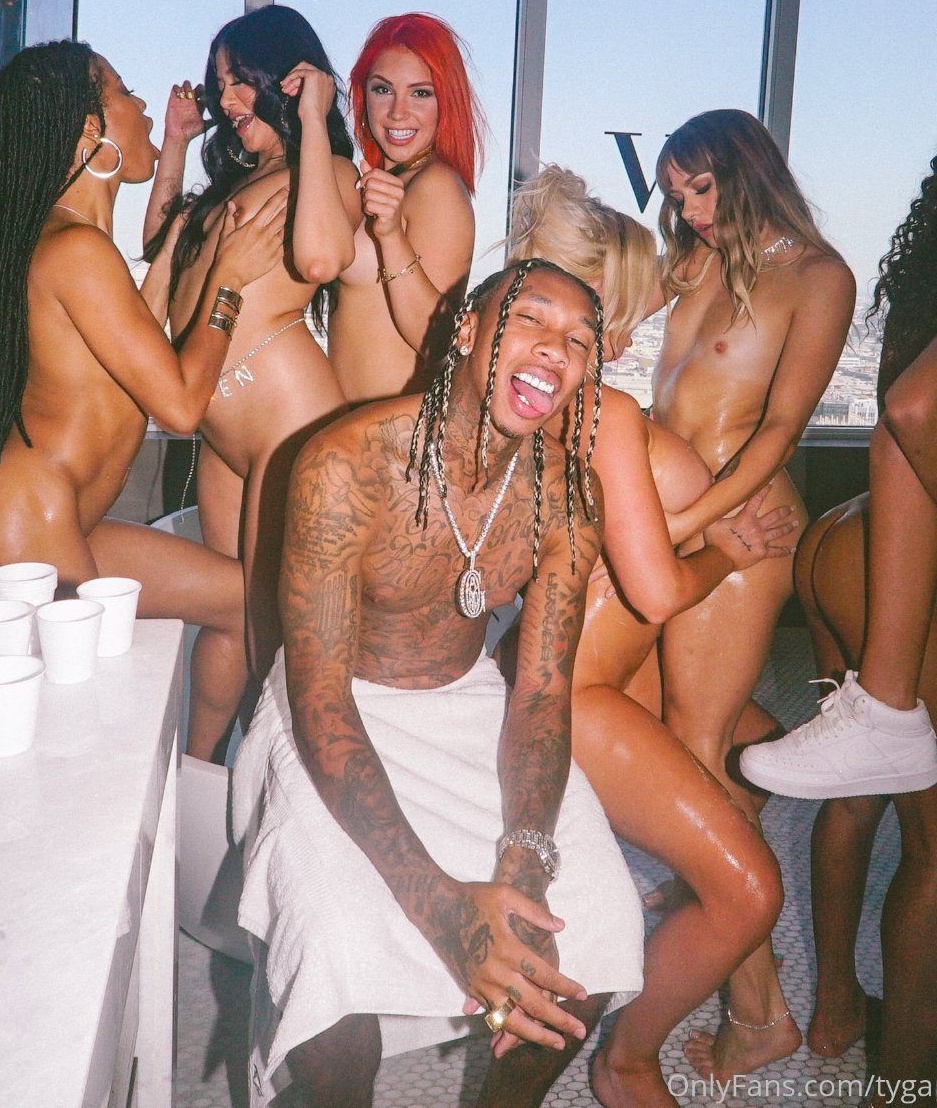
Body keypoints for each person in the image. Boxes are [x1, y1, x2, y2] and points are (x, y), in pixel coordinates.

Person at [231, 260, 645, 1108]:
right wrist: (443, 907)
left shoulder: (568, 496)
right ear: (466, 329)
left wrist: (525, 863)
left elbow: (540, 694)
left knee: (600, 922)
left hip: (467, 702)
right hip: (330, 706)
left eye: (578, 341)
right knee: (334, 956)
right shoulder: (346, 464)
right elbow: (319, 701)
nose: (554, 350)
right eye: (530, 319)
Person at [509, 166, 792, 1103]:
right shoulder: (609, 413)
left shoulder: (540, 404)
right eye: (629, 316)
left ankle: (742, 996)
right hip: (580, 700)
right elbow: (659, 591)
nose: (635, 336)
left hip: (565, 673)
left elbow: (602, 542)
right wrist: (728, 549)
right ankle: (627, 1060)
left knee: (754, 744)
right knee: (750, 890)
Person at [0, 40, 282, 758]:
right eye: (124, 90)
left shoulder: (71, 242)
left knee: (245, 600)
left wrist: (179, 208)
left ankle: (198, 774)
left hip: (58, 515)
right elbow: (179, 406)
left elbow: (136, 354)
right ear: (93, 130)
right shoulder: (75, 250)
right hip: (24, 524)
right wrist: (229, 282)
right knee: (68, 747)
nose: (144, 103)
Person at [648, 109, 855, 1081]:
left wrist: (690, 524)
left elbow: (778, 430)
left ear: (749, 170)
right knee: (691, 720)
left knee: (687, 740)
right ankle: (754, 780)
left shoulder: (818, 277)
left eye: (702, 187)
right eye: (675, 193)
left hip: (744, 527)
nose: (690, 210)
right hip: (681, 514)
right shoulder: (696, 262)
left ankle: (758, 1006)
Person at [740, 160, 937, 1095]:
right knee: (934, 853)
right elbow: (915, 411)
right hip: (906, 564)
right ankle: (904, 1082)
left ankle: (834, 1012)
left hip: (847, 541)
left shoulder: (922, 279)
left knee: (856, 791)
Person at [146, 6, 361, 685]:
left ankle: (277, 749)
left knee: (277, 623)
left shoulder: (329, 172)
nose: (228, 99)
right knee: (233, 615)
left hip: (285, 421)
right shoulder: (235, 181)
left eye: (241, 80)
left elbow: (322, 258)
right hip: (218, 424)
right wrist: (176, 143)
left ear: (287, 79)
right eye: (221, 85)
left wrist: (313, 120)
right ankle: (209, 750)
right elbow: (158, 247)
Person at [329, 12, 485, 404]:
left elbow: (440, 342)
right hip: (349, 426)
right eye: (383, 90)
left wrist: (391, 236)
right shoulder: (386, 181)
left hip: (396, 433)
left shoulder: (437, 186)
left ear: (447, 101)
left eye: (420, 93)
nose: (398, 112)